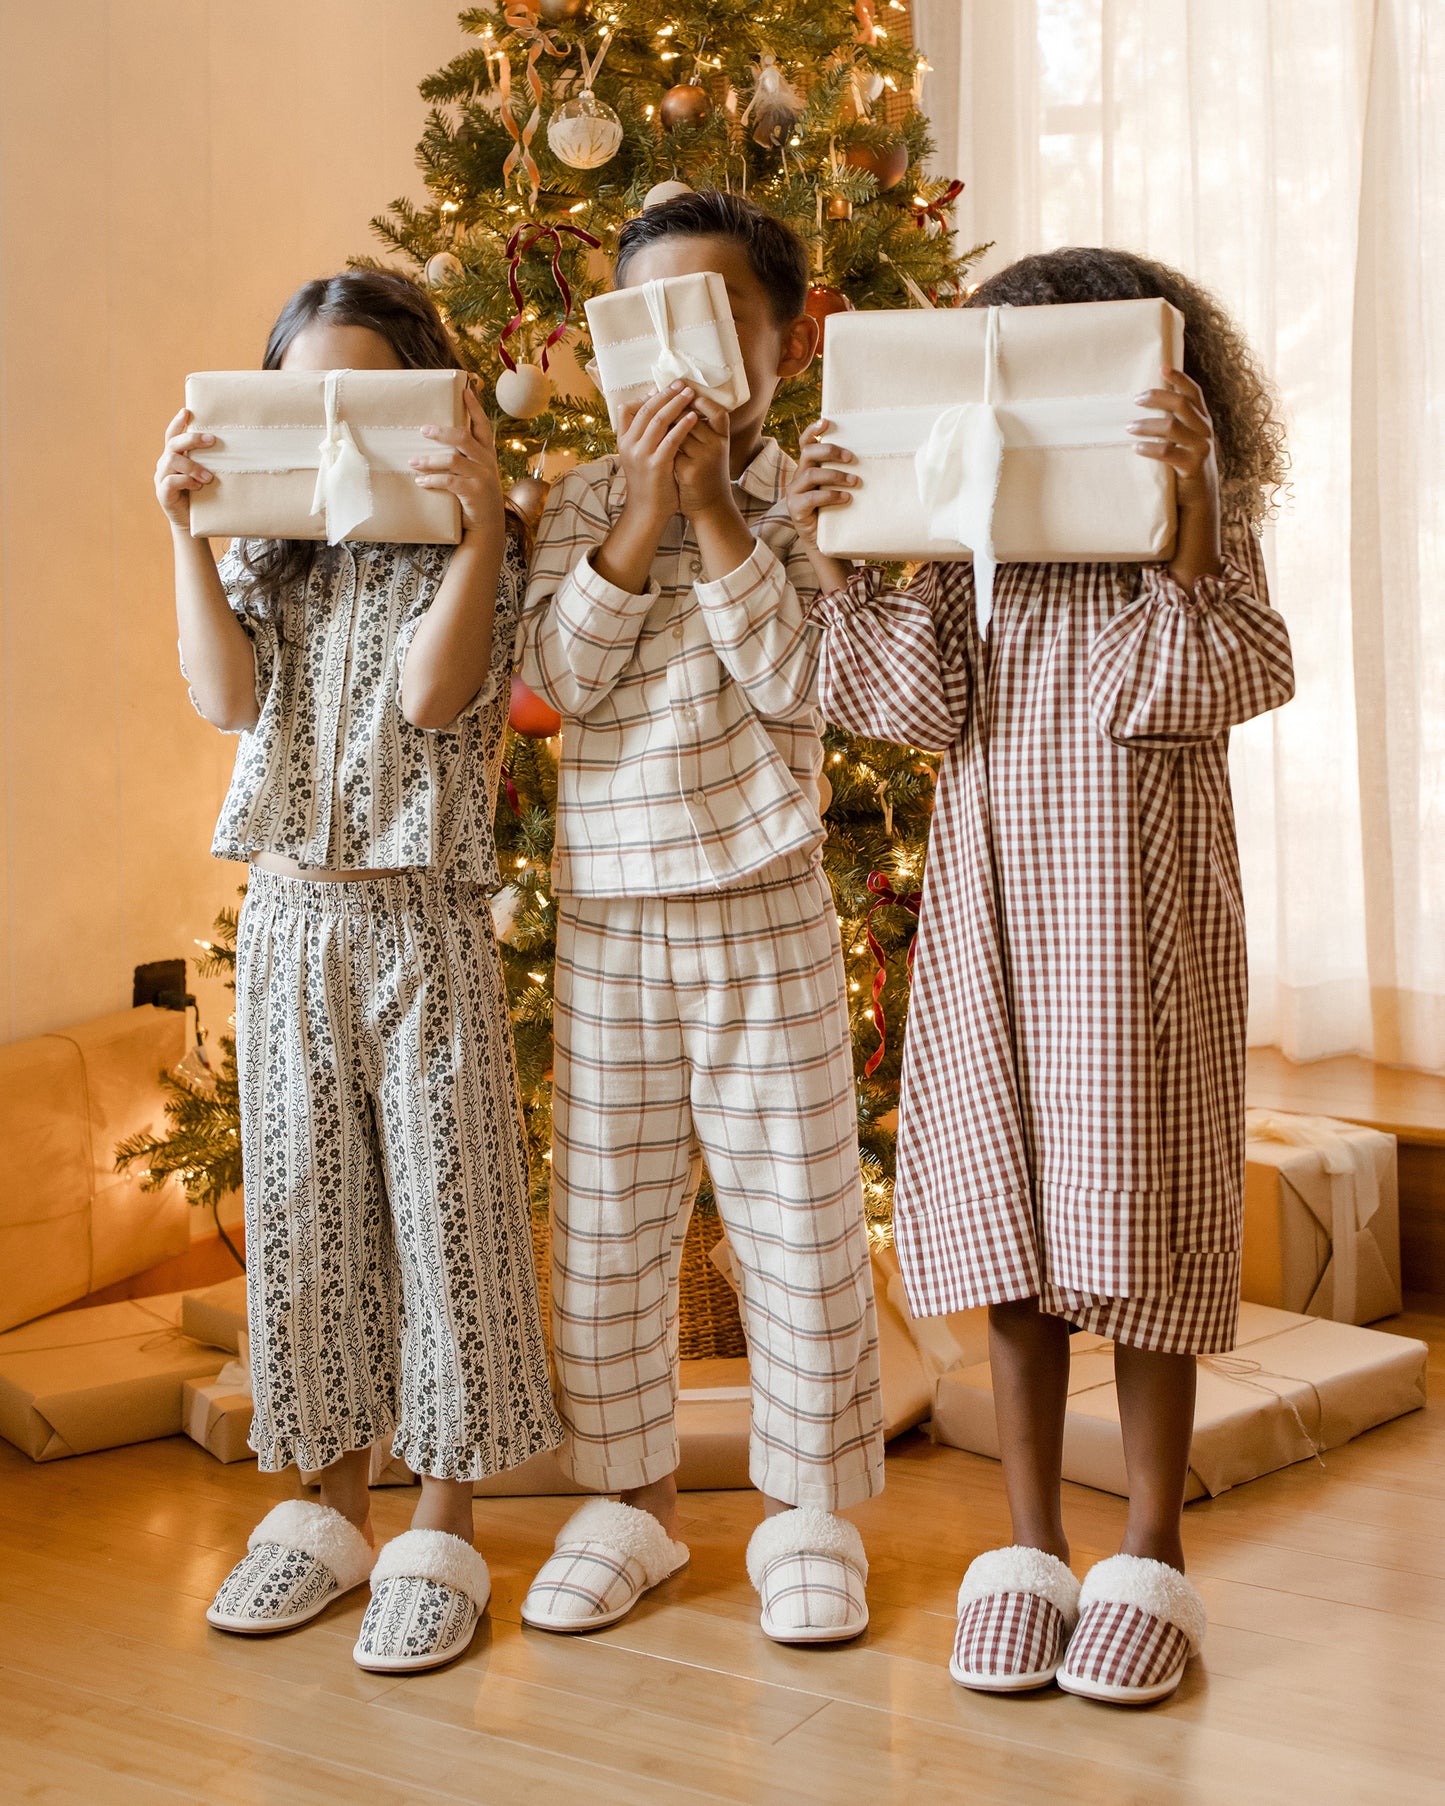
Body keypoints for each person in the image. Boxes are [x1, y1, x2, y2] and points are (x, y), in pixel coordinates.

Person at [790, 247, 1293, 1704]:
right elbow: (912, 705)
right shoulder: (970, 542)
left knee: (1137, 1226)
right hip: (993, 893)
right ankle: (1025, 1548)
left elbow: (1213, 680)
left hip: (1141, 906)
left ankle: (1149, 1550)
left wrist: (1187, 520)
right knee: (1009, 1222)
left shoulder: (1200, 521)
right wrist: (841, 544)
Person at [155, 269, 562, 1674]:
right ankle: (324, 1507)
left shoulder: (483, 538)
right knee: (303, 1212)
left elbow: (435, 698)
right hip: (286, 919)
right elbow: (224, 699)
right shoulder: (273, 551)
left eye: (363, 389)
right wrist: (188, 533)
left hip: (422, 918)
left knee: (450, 1218)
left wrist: (472, 533)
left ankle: (441, 1525)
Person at [514, 191, 884, 1645]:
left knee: (796, 1218)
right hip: (608, 909)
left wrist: (720, 506)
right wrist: (644, 516)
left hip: (761, 899)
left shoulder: (811, 492)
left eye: (714, 321)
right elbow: (555, 674)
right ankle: (636, 1503)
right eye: (642, 325)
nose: (674, 360)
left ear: (782, 346)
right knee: (603, 1218)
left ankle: (809, 1511)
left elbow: (804, 679)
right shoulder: (584, 494)